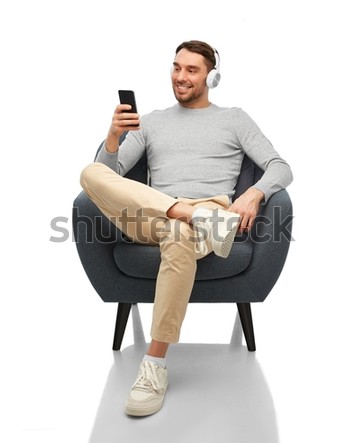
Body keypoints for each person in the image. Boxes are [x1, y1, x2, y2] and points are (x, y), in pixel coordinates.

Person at [80, 40, 293, 417]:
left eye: (191, 70)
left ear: (212, 76)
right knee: (88, 172)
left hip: (208, 212)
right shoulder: (152, 122)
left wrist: (256, 193)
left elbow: (280, 166)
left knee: (178, 235)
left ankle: (154, 366)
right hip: (156, 216)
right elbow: (108, 176)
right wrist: (113, 138)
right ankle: (184, 212)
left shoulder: (234, 118)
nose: (180, 77)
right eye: (176, 67)